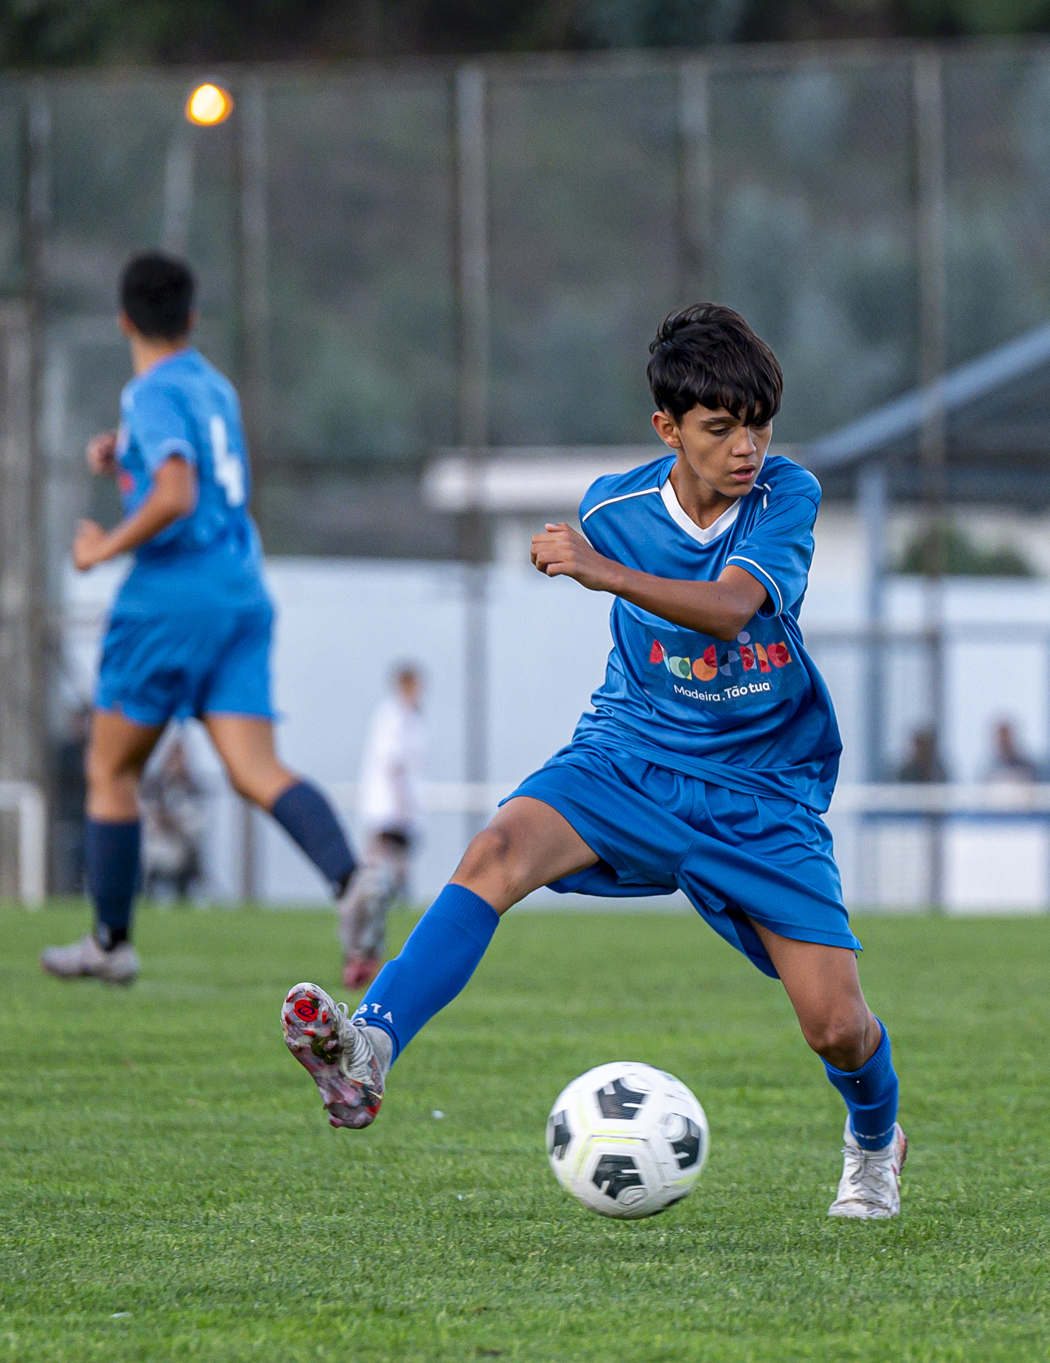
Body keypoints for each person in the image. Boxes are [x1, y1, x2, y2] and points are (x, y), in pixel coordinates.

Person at [278, 303, 906, 1220]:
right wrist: (577, 553)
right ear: (668, 429)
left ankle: (874, 1138)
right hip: (631, 752)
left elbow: (731, 608)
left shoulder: (786, 497)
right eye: (721, 427)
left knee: (838, 1026)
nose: (747, 449)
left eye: (759, 425)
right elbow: (596, 554)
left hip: (760, 789)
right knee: (493, 854)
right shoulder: (612, 506)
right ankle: (368, 1048)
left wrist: (595, 570)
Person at [41, 251, 376, 986]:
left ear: (125, 319)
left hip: (169, 599)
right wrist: (121, 455)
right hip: (240, 590)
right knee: (257, 770)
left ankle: (110, 940)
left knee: (109, 767)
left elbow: (175, 494)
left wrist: (102, 549)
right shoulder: (213, 386)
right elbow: (195, 471)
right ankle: (350, 879)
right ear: (190, 318)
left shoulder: (148, 390)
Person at [344, 663, 428, 987]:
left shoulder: (412, 717)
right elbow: (393, 764)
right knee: (377, 880)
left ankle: (376, 951)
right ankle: (363, 951)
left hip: (401, 811)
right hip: (388, 810)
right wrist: (403, 804)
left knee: (393, 879)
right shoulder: (393, 717)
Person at [138, 726, 206, 903]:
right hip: (155, 846)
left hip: (181, 846)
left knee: (184, 858)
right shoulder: (154, 786)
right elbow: (143, 815)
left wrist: (174, 822)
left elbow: (198, 825)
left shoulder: (193, 788)